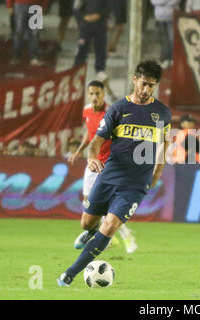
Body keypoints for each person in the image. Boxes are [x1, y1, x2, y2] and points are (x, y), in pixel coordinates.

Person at [58, 60, 172, 287]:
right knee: (86, 223)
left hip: (135, 185)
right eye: (143, 84)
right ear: (134, 80)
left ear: (156, 85)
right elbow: (95, 142)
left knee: (109, 226)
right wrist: (91, 157)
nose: (145, 90)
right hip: (109, 176)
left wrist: (157, 174)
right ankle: (95, 236)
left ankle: (69, 273)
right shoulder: (118, 109)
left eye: (151, 86)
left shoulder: (162, 113)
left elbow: (164, 147)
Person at [67, 80, 138, 255]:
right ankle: (100, 235)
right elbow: (90, 132)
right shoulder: (86, 111)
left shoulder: (112, 112)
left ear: (103, 94)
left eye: (97, 93)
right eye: (91, 93)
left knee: (109, 208)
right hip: (93, 163)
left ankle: (126, 235)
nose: (94, 97)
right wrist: (79, 151)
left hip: (110, 165)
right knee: (88, 203)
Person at [7, 0, 49, 66]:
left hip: (35, 6)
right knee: (19, 32)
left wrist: (44, 5)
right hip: (21, 5)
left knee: (34, 33)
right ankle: (16, 56)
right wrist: (9, 5)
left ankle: (33, 57)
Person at [151, 0, 181, 69]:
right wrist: (166, 2)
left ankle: (172, 59)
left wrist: (161, 2)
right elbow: (153, 2)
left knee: (172, 38)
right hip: (159, 16)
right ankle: (165, 59)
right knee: (163, 39)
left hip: (172, 16)